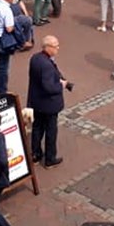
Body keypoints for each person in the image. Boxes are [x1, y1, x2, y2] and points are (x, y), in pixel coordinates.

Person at [27, 35, 66, 168]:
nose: (58, 48)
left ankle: (36, 154)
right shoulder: (47, 65)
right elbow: (49, 87)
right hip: (49, 105)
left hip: (37, 102)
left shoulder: (35, 58)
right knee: (51, 131)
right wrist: (61, 85)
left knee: (37, 128)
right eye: (56, 46)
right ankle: (50, 158)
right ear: (47, 47)